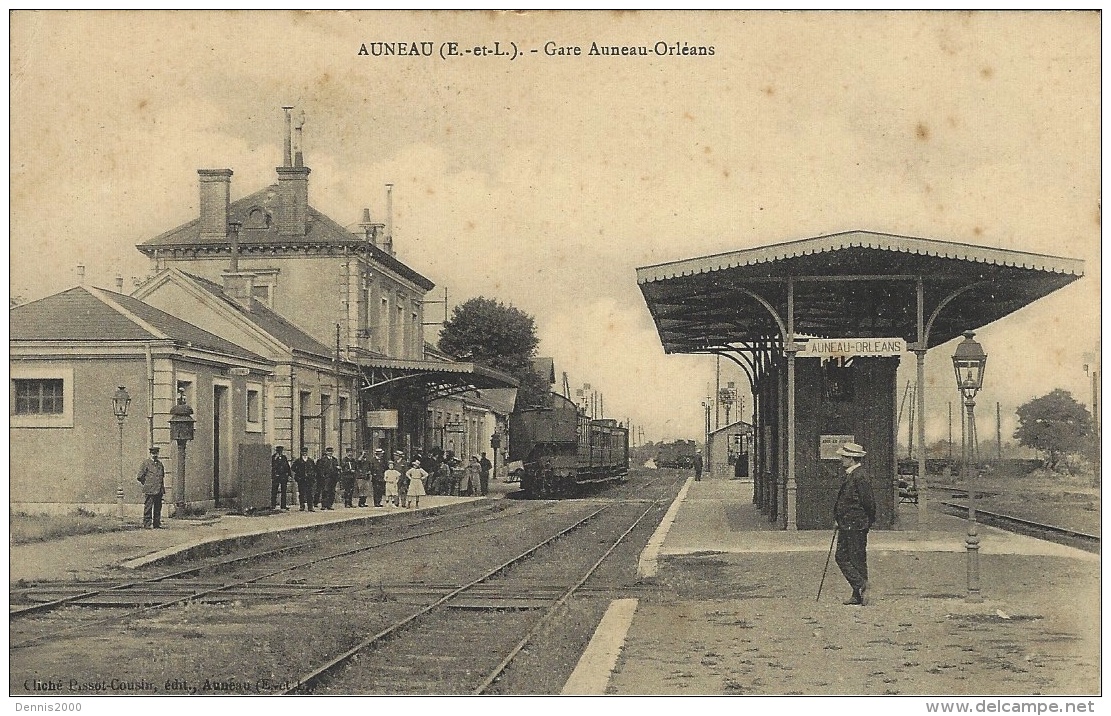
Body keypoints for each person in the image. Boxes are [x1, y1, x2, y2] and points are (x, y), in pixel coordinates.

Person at [833, 442, 876, 606]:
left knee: (853, 558)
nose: (842, 459)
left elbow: (869, 503)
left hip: (856, 525)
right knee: (846, 557)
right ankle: (859, 592)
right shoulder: (852, 474)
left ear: (852, 458)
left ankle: (860, 588)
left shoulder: (860, 476)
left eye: (844, 457)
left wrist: (865, 521)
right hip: (847, 524)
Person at [136, 446, 166, 528]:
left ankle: (157, 524)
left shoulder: (160, 464)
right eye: (153, 453)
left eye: (156, 453)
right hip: (150, 489)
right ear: (150, 454)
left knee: (158, 507)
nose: (155, 455)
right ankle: (147, 524)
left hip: (159, 489)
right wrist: (147, 484)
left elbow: (162, 476)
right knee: (148, 507)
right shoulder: (146, 463)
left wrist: (162, 488)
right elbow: (139, 476)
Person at [292, 447, 316, 512]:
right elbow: (293, 468)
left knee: (309, 493)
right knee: (302, 493)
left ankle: (310, 507)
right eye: (303, 452)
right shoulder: (298, 461)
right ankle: (302, 506)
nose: (304, 453)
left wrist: (312, 476)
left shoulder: (310, 461)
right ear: (301, 453)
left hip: (309, 480)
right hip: (301, 479)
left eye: (305, 452)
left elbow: (314, 469)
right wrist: (298, 474)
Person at [271, 445, 292, 511]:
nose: (280, 452)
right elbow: (272, 467)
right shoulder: (273, 457)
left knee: (284, 491)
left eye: (281, 451)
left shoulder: (284, 457)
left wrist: (289, 474)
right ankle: (273, 505)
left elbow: (287, 466)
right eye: (278, 451)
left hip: (283, 477)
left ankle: (283, 506)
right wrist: (274, 475)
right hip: (276, 476)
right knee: (274, 491)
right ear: (276, 451)